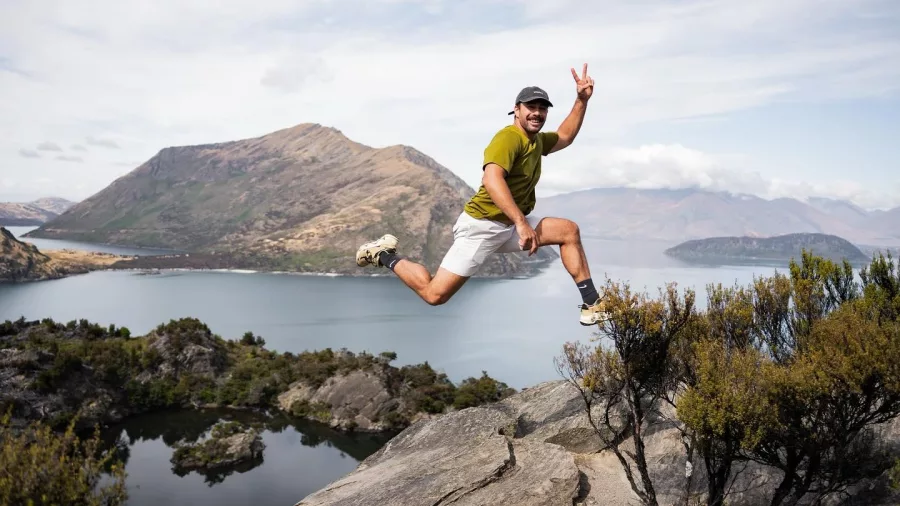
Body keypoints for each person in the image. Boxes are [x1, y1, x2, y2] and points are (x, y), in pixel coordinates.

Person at [355, 63, 608, 326]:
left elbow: (565, 136)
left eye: (542, 108)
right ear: (517, 110)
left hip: (508, 226)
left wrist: (581, 100)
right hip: (482, 227)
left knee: (568, 231)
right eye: (531, 107)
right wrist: (522, 223)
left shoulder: (536, 141)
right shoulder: (508, 138)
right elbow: (492, 178)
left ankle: (593, 303)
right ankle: (384, 254)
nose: (537, 113)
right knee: (434, 295)